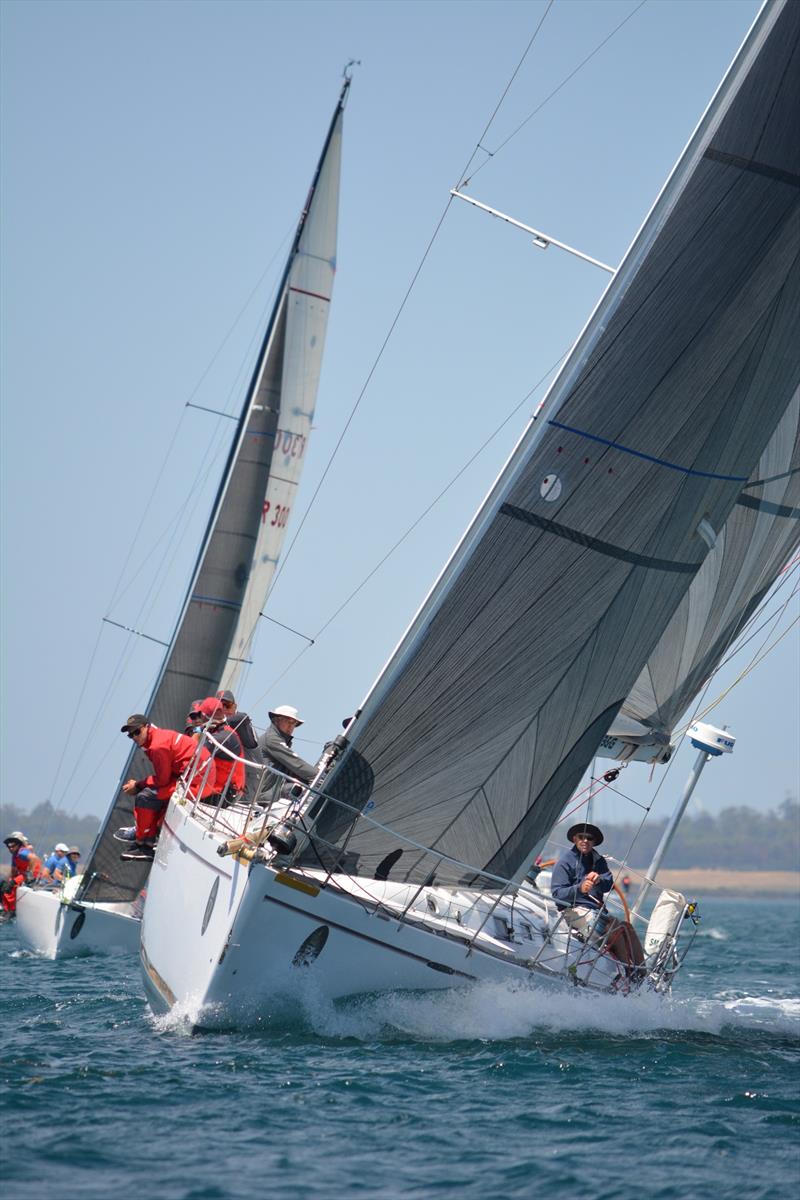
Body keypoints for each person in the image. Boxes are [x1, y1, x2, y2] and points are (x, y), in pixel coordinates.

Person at [114, 714, 213, 861]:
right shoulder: (155, 739)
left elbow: (162, 780)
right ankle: (146, 837)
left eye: (137, 732)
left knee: (145, 797)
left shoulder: (157, 746)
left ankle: (144, 844)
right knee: (151, 794)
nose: (134, 737)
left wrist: (138, 784)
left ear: (147, 727)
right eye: (131, 735)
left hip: (197, 783)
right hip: (193, 777)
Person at [550, 823, 644, 976]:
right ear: (575, 839)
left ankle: (643, 974)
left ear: (593, 841)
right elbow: (557, 894)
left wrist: (599, 880)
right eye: (581, 837)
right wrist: (579, 889)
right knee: (615, 927)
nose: (585, 841)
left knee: (628, 927)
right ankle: (628, 973)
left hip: (595, 912)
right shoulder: (564, 863)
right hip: (571, 912)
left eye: (589, 838)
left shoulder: (598, 861)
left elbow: (609, 884)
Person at [189, 697, 245, 806]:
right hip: (214, 787)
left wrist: (196, 733)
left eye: (200, 716)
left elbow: (194, 753)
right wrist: (197, 730)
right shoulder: (218, 730)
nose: (198, 720)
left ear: (206, 718)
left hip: (222, 795)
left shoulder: (223, 737)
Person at [259, 704, 317, 791]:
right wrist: (319, 776)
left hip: (271, 791)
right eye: (288, 721)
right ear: (276, 720)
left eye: (294, 723)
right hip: (264, 794)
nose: (291, 726)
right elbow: (297, 764)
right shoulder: (272, 739)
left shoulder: (277, 739)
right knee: (298, 790)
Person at [216, 690, 260, 799]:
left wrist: (216, 722)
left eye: (228, 705)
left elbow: (242, 718)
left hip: (247, 783)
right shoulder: (219, 727)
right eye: (220, 706)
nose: (224, 709)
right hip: (227, 781)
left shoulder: (240, 721)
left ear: (235, 707)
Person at [1, 832, 42, 916]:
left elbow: (33, 858)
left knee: (9, 886)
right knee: (4, 884)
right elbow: (14, 871)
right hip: (23, 875)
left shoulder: (21, 852)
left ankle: (11, 911)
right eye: (9, 847)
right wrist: (9, 880)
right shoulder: (15, 855)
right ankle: (5, 909)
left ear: (18, 845)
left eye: (13, 846)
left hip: (31, 875)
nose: (11, 848)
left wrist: (30, 873)